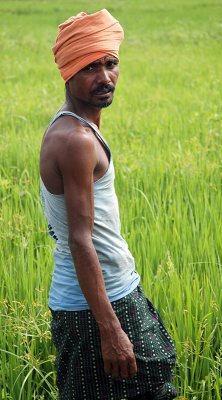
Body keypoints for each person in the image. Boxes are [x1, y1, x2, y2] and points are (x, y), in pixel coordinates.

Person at [40, 9, 177, 400]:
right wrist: (111, 329)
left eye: (111, 64)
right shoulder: (75, 140)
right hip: (96, 308)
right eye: (90, 67)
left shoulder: (80, 128)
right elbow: (81, 241)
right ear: (68, 73)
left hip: (109, 294)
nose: (104, 77)